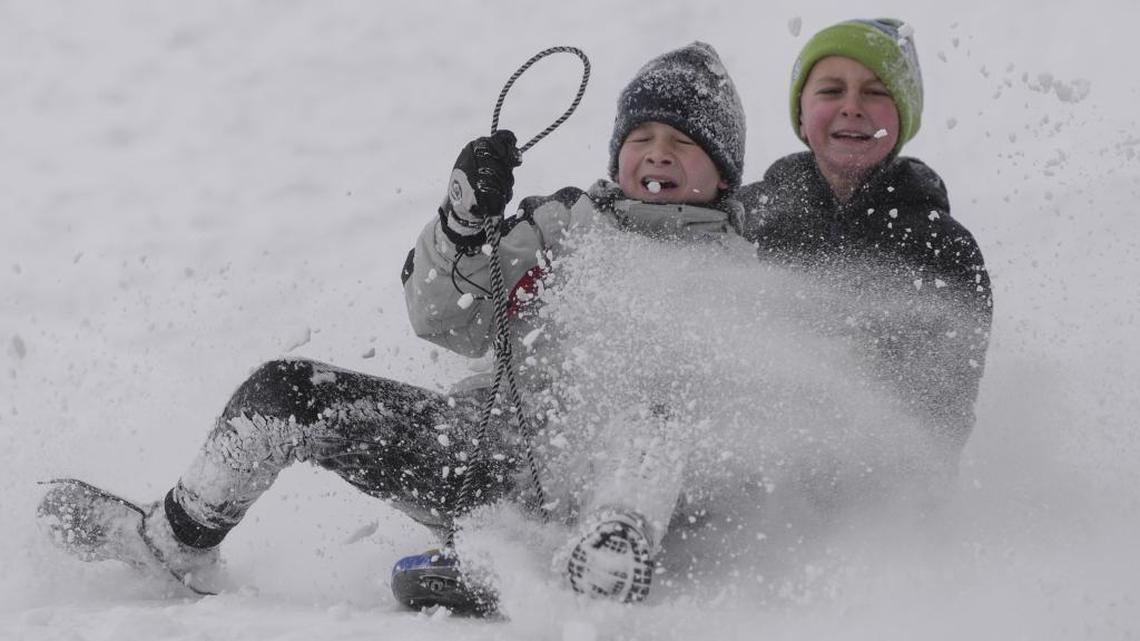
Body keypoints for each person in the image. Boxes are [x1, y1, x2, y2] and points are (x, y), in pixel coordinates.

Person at [37, 41, 748, 611]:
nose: (657, 152)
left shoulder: (745, 278)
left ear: (722, 174)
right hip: (492, 461)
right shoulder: (564, 228)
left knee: (657, 416)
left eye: (682, 142)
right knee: (289, 392)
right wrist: (463, 223)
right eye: (642, 135)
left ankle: (597, 558)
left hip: (633, 497)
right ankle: (174, 538)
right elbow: (445, 318)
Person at [738, 18, 992, 487]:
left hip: (873, 494)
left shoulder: (942, 247)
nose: (852, 107)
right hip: (747, 475)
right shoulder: (750, 215)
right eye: (831, 91)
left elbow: (945, 412)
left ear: (903, 118)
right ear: (801, 114)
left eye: (875, 93)